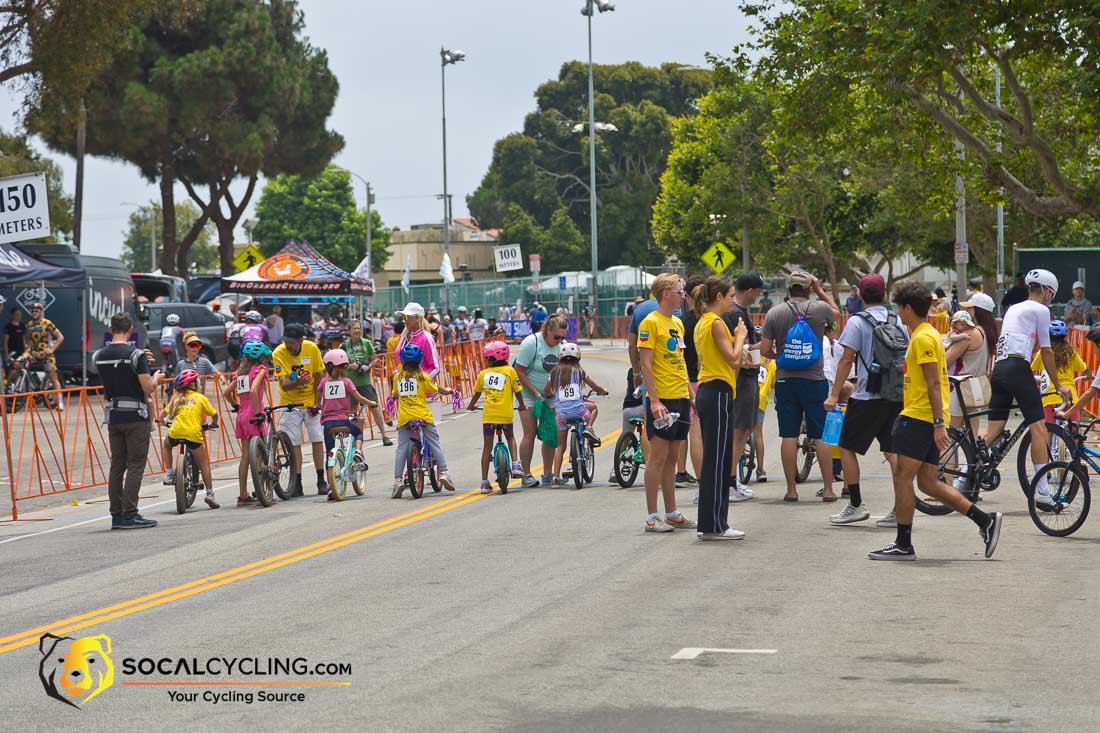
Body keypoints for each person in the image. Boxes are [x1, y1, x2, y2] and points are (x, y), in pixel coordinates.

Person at [869, 282, 1002, 561]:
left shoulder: (923, 338)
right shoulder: (927, 334)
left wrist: (939, 423)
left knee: (902, 477)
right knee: (928, 484)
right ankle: (985, 521)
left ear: (908, 308)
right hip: (925, 416)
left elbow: (932, 382)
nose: (898, 313)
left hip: (920, 417)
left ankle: (903, 544)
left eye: (899, 308)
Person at [983, 269, 1069, 508]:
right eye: (1051, 293)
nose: (1050, 297)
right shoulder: (1041, 310)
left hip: (1000, 369)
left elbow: (1022, 344)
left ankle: (968, 474)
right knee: (1039, 430)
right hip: (1016, 368)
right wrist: (1059, 384)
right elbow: (1046, 350)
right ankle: (1041, 491)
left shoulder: (1014, 308)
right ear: (1045, 290)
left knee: (995, 428)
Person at [825, 273, 906, 525]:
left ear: (860, 294)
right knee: (893, 450)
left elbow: (846, 359)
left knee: (847, 448)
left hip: (866, 395)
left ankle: (856, 503)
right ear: (885, 294)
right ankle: (900, 507)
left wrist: (834, 393)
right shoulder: (898, 320)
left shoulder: (858, 322)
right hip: (894, 395)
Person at [760, 270, 840, 501]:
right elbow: (837, 313)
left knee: (789, 435)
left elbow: (765, 350)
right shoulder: (819, 309)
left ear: (788, 289)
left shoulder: (775, 313)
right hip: (814, 379)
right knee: (820, 435)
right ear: (807, 289)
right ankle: (827, 489)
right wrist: (820, 290)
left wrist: (783, 357)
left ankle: (791, 490)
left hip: (786, 380)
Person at [637, 274, 696, 533]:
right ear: (665, 294)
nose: (683, 296)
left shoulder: (678, 323)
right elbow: (645, 363)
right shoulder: (650, 323)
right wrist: (654, 400)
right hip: (662, 398)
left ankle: (671, 512)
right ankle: (652, 515)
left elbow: (680, 360)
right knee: (657, 457)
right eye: (679, 292)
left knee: (673, 456)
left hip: (680, 395)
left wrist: (689, 392)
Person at [692, 275, 748, 539]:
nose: (732, 300)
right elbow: (733, 358)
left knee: (717, 457)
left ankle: (714, 522)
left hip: (710, 389)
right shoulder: (715, 323)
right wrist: (740, 336)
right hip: (717, 392)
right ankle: (715, 524)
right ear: (718, 297)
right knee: (718, 459)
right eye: (730, 295)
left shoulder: (703, 322)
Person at [95, 312, 158, 529]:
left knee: (117, 465)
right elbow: (147, 387)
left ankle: (116, 515)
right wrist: (155, 376)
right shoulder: (135, 354)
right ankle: (130, 513)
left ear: (111, 329)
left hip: (113, 416)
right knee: (135, 465)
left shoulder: (99, 355)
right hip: (135, 416)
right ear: (130, 329)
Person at [391, 343, 456, 496]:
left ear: (402, 361)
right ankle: (444, 473)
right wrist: (448, 391)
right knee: (434, 443)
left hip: (405, 418)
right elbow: (436, 389)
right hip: (422, 416)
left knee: (401, 448)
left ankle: (397, 480)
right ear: (419, 360)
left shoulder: (397, 378)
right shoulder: (422, 377)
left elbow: (394, 394)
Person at [722, 272, 765, 501]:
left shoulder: (738, 312)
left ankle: (730, 480)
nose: (758, 296)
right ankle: (728, 481)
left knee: (742, 429)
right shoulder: (735, 314)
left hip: (745, 378)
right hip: (741, 379)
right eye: (758, 292)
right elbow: (740, 350)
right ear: (750, 291)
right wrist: (764, 345)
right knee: (739, 431)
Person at [272, 323, 328, 497]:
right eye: (286, 341)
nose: (288, 345)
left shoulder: (311, 349)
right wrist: (299, 382)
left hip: (310, 401)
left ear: (300, 341)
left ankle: (321, 479)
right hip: (290, 403)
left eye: (292, 342)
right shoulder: (278, 354)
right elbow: (284, 385)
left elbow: (320, 375)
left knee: (317, 438)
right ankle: (297, 481)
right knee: (293, 443)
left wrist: (317, 403)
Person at [514, 315, 567, 487]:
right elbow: (519, 370)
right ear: (546, 331)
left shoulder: (562, 347)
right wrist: (535, 392)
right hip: (529, 395)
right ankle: (526, 474)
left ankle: (547, 474)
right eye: (556, 337)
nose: (558, 341)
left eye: (561, 337)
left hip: (551, 397)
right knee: (530, 432)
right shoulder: (532, 343)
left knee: (550, 434)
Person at [544, 342, 608, 483]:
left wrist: (552, 394)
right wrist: (602, 391)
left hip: (561, 415)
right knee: (594, 408)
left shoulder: (554, 372)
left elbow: (546, 389)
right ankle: (589, 428)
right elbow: (594, 386)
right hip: (579, 412)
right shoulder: (579, 372)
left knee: (560, 446)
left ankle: (555, 477)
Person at [316, 348, 375, 500]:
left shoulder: (323, 382)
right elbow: (360, 398)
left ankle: (331, 487)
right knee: (358, 432)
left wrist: (317, 406)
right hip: (343, 420)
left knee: (329, 452)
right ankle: (358, 452)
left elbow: (318, 398)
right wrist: (371, 403)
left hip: (327, 424)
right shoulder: (347, 382)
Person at [468, 341, 525, 493]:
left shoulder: (483, 374)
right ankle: (515, 464)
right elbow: (518, 391)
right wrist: (522, 405)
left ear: (491, 359)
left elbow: (477, 394)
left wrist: (471, 405)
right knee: (510, 437)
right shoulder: (510, 371)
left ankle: (484, 482)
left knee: (487, 447)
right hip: (505, 414)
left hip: (489, 416)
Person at [159, 369, 220, 509]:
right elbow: (214, 414)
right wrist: (213, 423)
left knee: (166, 445)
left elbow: (162, 417)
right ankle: (210, 493)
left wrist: (164, 423)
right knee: (203, 463)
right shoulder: (200, 397)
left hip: (176, 431)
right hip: (193, 433)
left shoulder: (176, 398)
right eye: (198, 381)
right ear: (193, 385)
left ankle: (169, 473)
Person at [226, 340, 270, 507]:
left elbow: (226, 392)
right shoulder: (260, 370)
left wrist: (235, 404)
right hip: (254, 415)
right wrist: (258, 411)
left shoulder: (240, 373)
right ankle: (261, 491)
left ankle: (243, 494)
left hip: (241, 416)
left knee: (245, 455)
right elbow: (253, 390)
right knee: (259, 454)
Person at [943, 310, 990, 439]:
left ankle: (950, 459)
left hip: (960, 388)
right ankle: (972, 460)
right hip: (974, 389)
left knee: (950, 435)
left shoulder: (967, 336)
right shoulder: (982, 332)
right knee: (972, 435)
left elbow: (945, 361)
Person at [1032, 320, 1091, 422]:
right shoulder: (1071, 353)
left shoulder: (1042, 353)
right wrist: (1089, 376)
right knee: (1074, 431)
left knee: (1048, 430)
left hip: (1049, 396)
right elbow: (1085, 370)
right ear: (1065, 337)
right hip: (1069, 396)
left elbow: (1031, 370)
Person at [345, 320, 392, 446]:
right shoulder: (344, 346)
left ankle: (384, 435)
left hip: (365, 382)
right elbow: (340, 365)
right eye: (354, 329)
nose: (357, 331)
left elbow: (375, 359)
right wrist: (350, 366)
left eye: (358, 328)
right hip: (351, 383)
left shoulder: (366, 343)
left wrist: (368, 366)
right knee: (352, 411)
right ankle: (355, 439)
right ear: (349, 331)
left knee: (374, 408)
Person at [680, 274, 706, 491]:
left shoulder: (682, 322)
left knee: (692, 432)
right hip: (710, 379)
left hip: (688, 381)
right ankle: (714, 480)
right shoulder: (711, 320)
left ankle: (699, 480)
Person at [25, 301, 65, 403]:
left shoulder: (47, 323)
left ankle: (59, 401)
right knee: (21, 365)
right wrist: (27, 350)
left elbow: (60, 337)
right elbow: (28, 341)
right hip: (34, 353)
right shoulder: (28, 325)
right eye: (33, 311)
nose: (34, 313)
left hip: (46, 354)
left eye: (37, 311)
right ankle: (33, 389)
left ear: (41, 312)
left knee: (53, 376)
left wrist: (52, 349)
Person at [754, 352, 776, 483]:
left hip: (747, 394)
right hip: (761, 399)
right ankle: (760, 469)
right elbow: (773, 384)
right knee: (758, 435)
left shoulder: (753, 356)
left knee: (738, 433)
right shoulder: (773, 364)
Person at [3, 306, 26, 379]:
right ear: (12, 315)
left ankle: (16, 387)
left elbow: (24, 339)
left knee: (20, 369)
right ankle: (9, 387)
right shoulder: (8, 326)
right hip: (12, 352)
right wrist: (7, 355)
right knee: (13, 370)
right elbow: (5, 342)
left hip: (21, 351)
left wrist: (26, 351)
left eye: (20, 315)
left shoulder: (22, 326)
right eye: (17, 314)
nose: (18, 316)